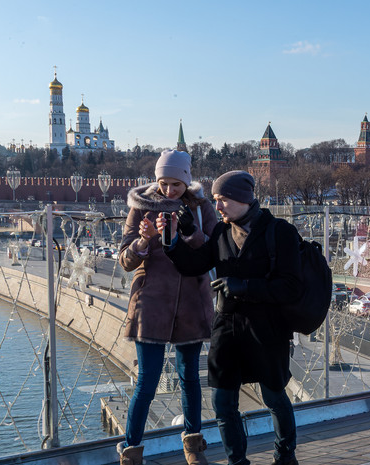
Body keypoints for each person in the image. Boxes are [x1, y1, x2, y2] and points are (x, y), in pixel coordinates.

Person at [162, 170, 301, 465]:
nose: (218, 207)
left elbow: (291, 286)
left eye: (222, 199)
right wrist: (174, 240)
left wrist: (245, 286)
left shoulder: (280, 232)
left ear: (243, 199)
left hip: (267, 328)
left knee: (274, 397)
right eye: (215, 200)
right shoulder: (222, 234)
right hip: (226, 327)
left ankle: (285, 456)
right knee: (223, 403)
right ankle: (237, 461)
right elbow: (194, 266)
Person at [117, 149, 217, 465]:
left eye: (176, 184)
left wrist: (191, 231)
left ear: (186, 181)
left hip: (190, 302)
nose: (169, 191)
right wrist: (143, 241)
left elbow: (215, 249)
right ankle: (131, 453)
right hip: (152, 305)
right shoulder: (141, 207)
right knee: (147, 381)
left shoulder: (200, 207)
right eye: (164, 183)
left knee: (189, 378)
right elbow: (124, 260)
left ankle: (193, 447)